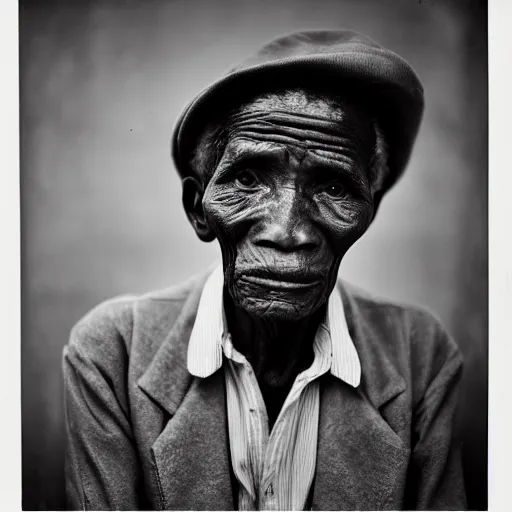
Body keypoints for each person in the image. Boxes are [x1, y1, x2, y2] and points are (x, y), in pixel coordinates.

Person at [62, 30, 466, 510]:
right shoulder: (113, 351)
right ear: (198, 208)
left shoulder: (420, 354)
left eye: (335, 188)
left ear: (368, 213)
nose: (288, 230)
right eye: (248, 179)